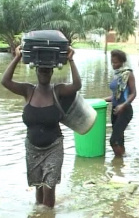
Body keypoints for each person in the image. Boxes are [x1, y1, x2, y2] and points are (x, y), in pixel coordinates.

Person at [1, 46, 82, 208]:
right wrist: (17, 57)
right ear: (36, 71)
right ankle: (39, 212)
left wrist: (71, 59)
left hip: (54, 148)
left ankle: (47, 212)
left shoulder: (57, 91)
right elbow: (5, 81)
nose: (44, 73)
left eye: (47, 71)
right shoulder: (28, 90)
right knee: (38, 189)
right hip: (32, 148)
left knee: (49, 189)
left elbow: (77, 85)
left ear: (52, 72)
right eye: (41, 70)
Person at [104, 49, 136, 157]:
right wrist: (101, 100)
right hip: (115, 110)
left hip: (125, 110)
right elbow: (115, 96)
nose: (114, 65)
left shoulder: (128, 74)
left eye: (116, 62)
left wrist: (123, 105)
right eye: (112, 62)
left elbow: (133, 94)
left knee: (113, 140)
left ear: (122, 62)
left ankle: (119, 161)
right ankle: (121, 166)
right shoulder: (117, 75)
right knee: (120, 138)